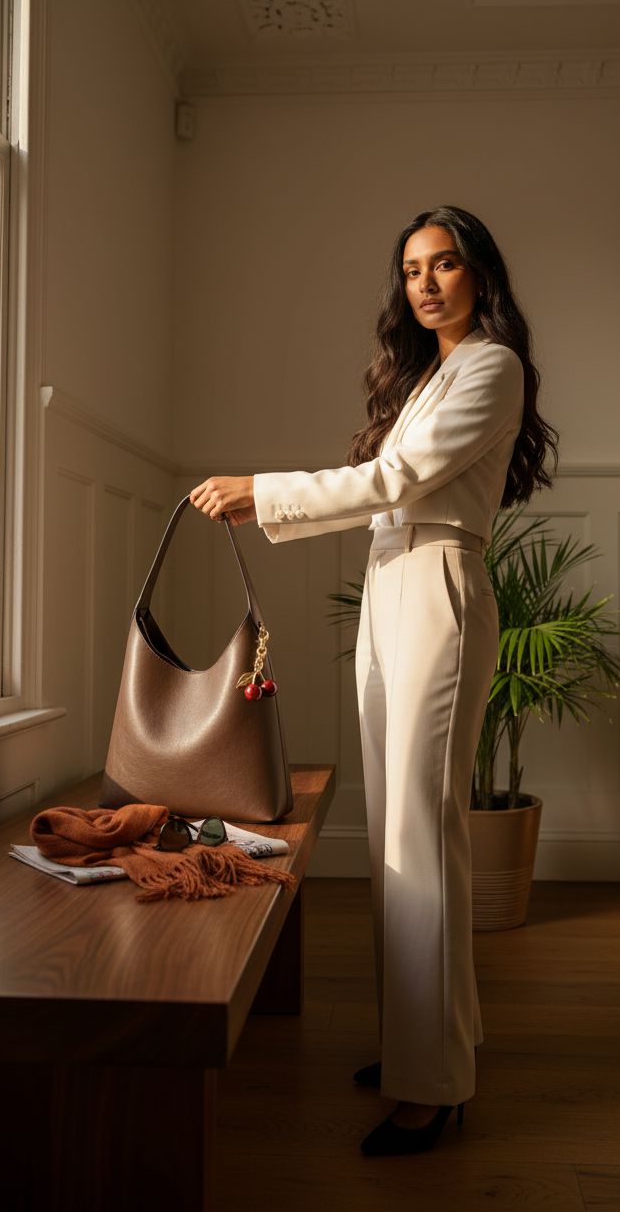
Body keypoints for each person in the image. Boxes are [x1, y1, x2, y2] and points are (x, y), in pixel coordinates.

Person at [189, 205, 559, 1156]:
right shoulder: (432, 376)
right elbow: (389, 485)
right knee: (395, 827)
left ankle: (435, 1084)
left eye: (443, 265)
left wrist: (259, 492)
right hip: (392, 584)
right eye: (410, 270)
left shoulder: (492, 366)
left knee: (421, 831)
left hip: (438, 582)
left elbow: (395, 480)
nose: (425, 283)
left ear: (480, 274)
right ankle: (422, 1047)